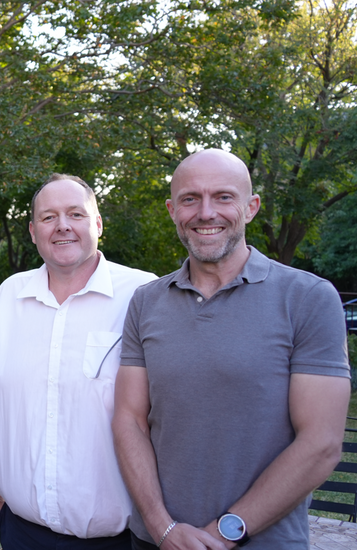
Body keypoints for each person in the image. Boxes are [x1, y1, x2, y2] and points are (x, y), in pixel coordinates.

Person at [111, 149, 351, 549]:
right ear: (172, 210)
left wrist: (224, 532)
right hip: (154, 542)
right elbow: (129, 421)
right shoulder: (146, 302)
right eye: (190, 199)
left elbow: (321, 444)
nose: (206, 213)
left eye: (224, 197)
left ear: (251, 207)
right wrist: (163, 529)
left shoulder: (308, 298)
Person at [0, 175, 157, 549]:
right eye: (48, 217)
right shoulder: (10, 296)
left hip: (118, 540)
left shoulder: (143, 294)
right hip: (22, 534)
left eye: (75, 214)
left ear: (97, 224)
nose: (62, 225)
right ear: (33, 231)